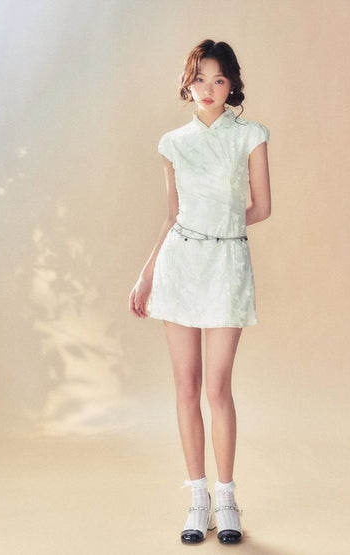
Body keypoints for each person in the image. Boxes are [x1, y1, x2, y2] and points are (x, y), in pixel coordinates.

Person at [129, 38, 271, 545]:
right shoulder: (173, 143)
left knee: (217, 389)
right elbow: (173, 215)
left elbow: (262, 206)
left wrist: (221, 227)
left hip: (227, 264)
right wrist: (147, 273)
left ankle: (227, 498)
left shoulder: (250, 135)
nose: (207, 89)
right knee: (186, 387)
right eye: (199, 79)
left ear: (231, 86)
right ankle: (198, 499)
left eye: (218, 80)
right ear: (188, 84)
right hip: (179, 266)